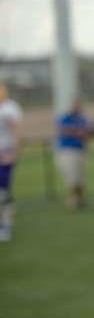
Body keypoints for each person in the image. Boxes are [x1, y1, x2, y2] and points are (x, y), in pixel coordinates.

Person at [56, 99, 90, 210]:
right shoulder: (65, 118)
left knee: (80, 178)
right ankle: (72, 201)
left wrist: (80, 132)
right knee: (72, 178)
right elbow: (62, 130)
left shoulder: (82, 118)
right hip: (68, 151)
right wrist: (77, 131)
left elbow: (87, 131)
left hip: (81, 150)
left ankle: (80, 199)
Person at [0, 82, 22, 241]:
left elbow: (15, 130)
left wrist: (14, 151)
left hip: (4, 153)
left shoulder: (8, 108)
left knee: (3, 191)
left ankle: (6, 225)